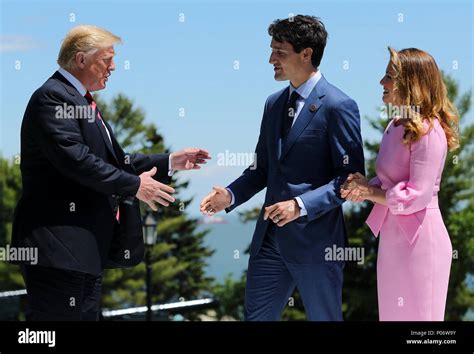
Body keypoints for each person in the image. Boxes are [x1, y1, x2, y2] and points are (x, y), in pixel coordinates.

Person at [11, 25, 210, 321]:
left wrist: (169, 161)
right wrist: (135, 186)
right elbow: (77, 161)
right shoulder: (53, 98)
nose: (114, 67)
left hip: (80, 252)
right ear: (80, 60)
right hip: (59, 250)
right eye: (107, 59)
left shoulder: (79, 100)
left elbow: (110, 160)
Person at [200, 15, 364, 321]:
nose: (270, 59)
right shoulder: (273, 104)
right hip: (269, 242)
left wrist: (300, 206)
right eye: (271, 50)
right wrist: (231, 195)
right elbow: (262, 168)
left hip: (318, 244)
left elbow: (350, 181)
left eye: (280, 52)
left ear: (306, 53)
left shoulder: (340, 106)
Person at [340, 47, 459, 321]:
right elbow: (388, 181)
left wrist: (370, 192)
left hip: (421, 241)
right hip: (392, 239)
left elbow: (416, 196)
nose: (382, 82)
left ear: (411, 83)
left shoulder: (428, 131)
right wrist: (364, 185)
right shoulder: (395, 126)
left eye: (389, 76)